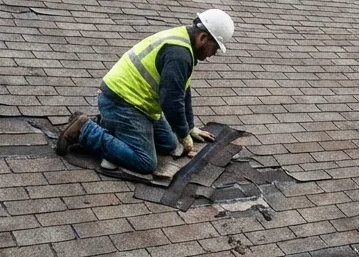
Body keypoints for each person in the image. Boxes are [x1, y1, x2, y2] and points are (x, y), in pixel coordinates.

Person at [57, 10, 235, 177]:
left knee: (169, 144)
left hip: (138, 103)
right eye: (215, 47)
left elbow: (182, 90)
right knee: (146, 162)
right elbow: (172, 102)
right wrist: (184, 136)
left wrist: (189, 128)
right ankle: (86, 130)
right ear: (203, 37)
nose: (214, 53)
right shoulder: (179, 54)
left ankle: (104, 124)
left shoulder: (184, 42)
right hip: (122, 102)